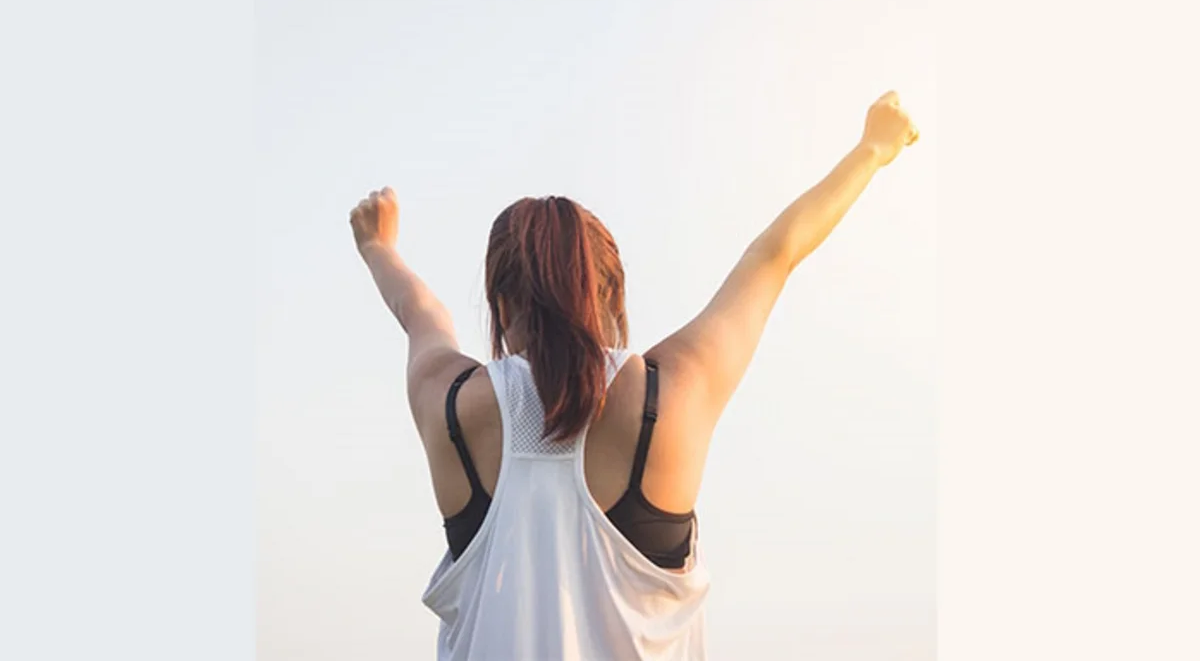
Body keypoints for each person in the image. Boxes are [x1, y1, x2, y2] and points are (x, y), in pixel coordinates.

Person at [349, 91, 919, 660]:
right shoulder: (671, 395)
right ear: (614, 296)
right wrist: (872, 149)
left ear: (499, 306)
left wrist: (378, 246)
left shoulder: (450, 408)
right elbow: (774, 255)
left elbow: (421, 313)